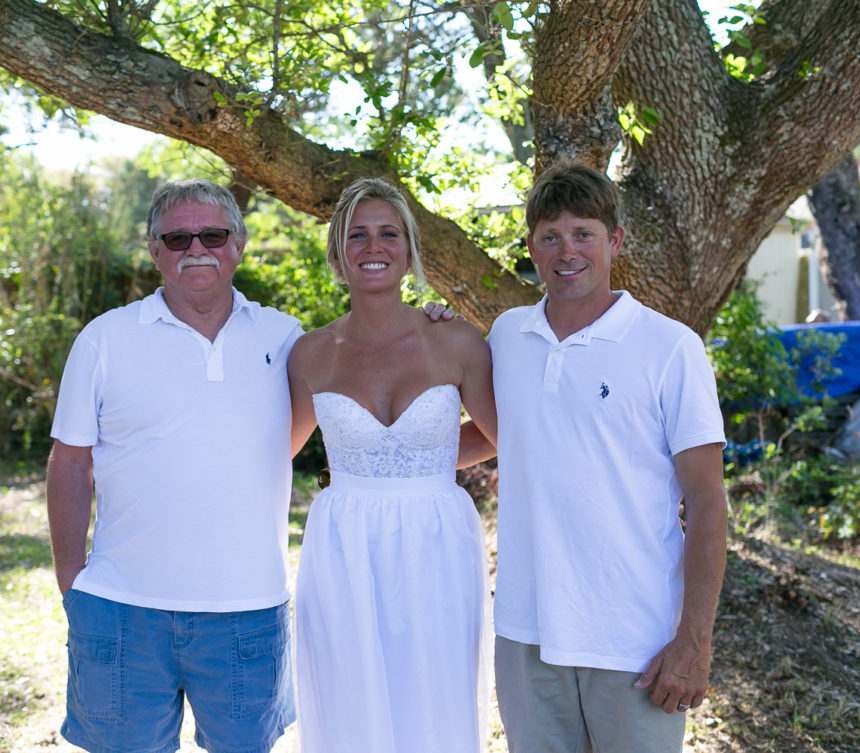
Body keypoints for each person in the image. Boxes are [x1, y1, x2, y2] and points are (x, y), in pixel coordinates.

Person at [478, 160, 728, 752]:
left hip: (633, 643)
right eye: (550, 236)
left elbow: (708, 503)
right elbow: (488, 433)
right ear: (532, 248)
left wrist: (693, 642)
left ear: (614, 240)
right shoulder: (506, 336)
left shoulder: (670, 347)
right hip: (525, 634)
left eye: (583, 233)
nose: (568, 251)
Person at [46, 179, 303, 753]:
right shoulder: (104, 339)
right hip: (121, 609)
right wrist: (72, 584)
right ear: (154, 250)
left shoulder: (285, 337)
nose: (196, 249)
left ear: (238, 243)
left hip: (247, 609)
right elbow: (69, 462)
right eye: (178, 237)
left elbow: (360, 372)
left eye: (212, 234)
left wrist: (430, 318)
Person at [287, 178, 499, 753]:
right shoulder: (308, 353)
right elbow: (273, 451)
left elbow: (503, 434)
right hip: (342, 546)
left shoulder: (456, 340)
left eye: (388, 233)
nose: (372, 246)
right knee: (348, 695)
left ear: (408, 251)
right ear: (336, 253)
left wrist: (420, 464)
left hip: (438, 540)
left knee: (435, 694)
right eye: (356, 235)